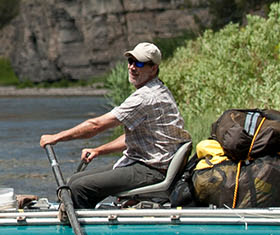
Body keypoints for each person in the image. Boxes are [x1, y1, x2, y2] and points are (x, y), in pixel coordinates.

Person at [37, 42, 191, 208]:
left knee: (78, 187)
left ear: (153, 68)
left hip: (151, 170)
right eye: (130, 61)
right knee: (74, 180)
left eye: (139, 63)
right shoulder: (158, 89)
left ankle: (81, 226)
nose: (132, 67)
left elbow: (95, 125)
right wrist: (99, 150)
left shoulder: (145, 97)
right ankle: (81, 213)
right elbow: (140, 137)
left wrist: (56, 137)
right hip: (150, 164)